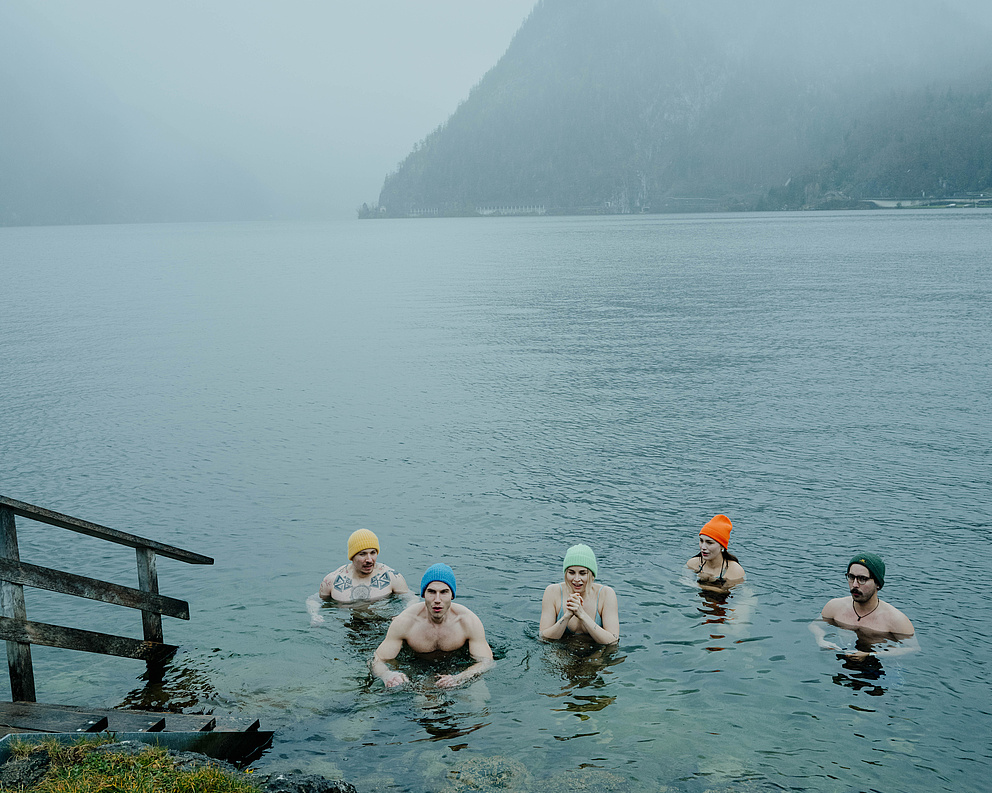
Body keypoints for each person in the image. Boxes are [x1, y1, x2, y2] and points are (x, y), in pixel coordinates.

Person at [371, 563, 494, 688]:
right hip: (417, 670)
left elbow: (486, 662)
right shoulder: (405, 621)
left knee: (479, 701)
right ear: (423, 594)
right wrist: (388, 675)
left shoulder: (468, 621)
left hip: (458, 670)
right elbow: (377, 660)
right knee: (425, 705)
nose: (437, 599)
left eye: (444, 592)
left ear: (452, 595)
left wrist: (459, 678)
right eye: (432, 592)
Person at [809, 552, 918, 658]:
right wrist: (821, 640)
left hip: (879, 666)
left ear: (878, 584)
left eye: (862, 579)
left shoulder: (896, 619)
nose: (855, 585)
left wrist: (871, 655)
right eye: (851, 577)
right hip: (843, 658)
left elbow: (913, 649)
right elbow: (815, 625)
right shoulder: (834, 607)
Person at [307, 529, 409, 624]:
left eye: (373, 553)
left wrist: (404, 616)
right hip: (347, 625)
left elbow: (411, 599)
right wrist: (315, 615)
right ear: (352, 556)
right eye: (362, 554)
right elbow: (314, 600)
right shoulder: (333, 580)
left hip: (384, 622)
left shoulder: (391, 577)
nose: (369, 559)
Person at [540, 544, 619, 645]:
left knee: (596, 660)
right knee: (554, 658)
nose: (576, 579)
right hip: (562, 648)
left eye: (582, 573)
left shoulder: (606, 594)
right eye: (571, 573)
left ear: (592, 575)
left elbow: (612, 641)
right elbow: (544, 637)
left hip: (596, 650)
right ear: (566, 573)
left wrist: (582, 615)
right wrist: (567, 616)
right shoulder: (552, 592)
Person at [685, 514, 745, 591]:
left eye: (709, 543)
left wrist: (698, 585)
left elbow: (731, 593)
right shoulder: (692, 564)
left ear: (722, 546)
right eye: (701, 541)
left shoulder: (735, 571)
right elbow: (684, 581)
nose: (703, 547)